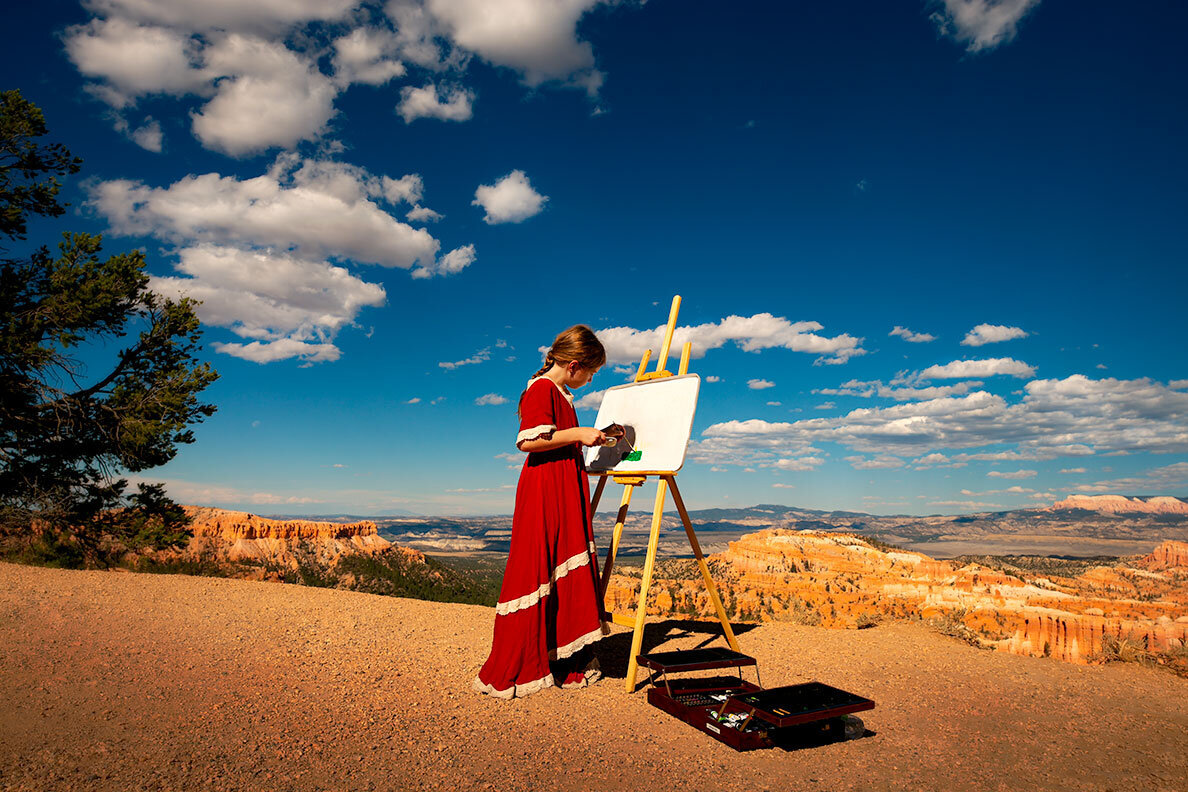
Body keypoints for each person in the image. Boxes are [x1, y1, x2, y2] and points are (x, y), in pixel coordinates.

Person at [472, 325, 611, 698]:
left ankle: (555, 654)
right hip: (546, 487)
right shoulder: (541, 389)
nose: (591, 379)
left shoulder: (559, 392)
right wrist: (580, 434)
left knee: (558, 559)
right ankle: (521, 661)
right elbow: (529, 440)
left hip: (560, 483)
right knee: (538, 563)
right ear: (574, 365)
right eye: (591, 372)